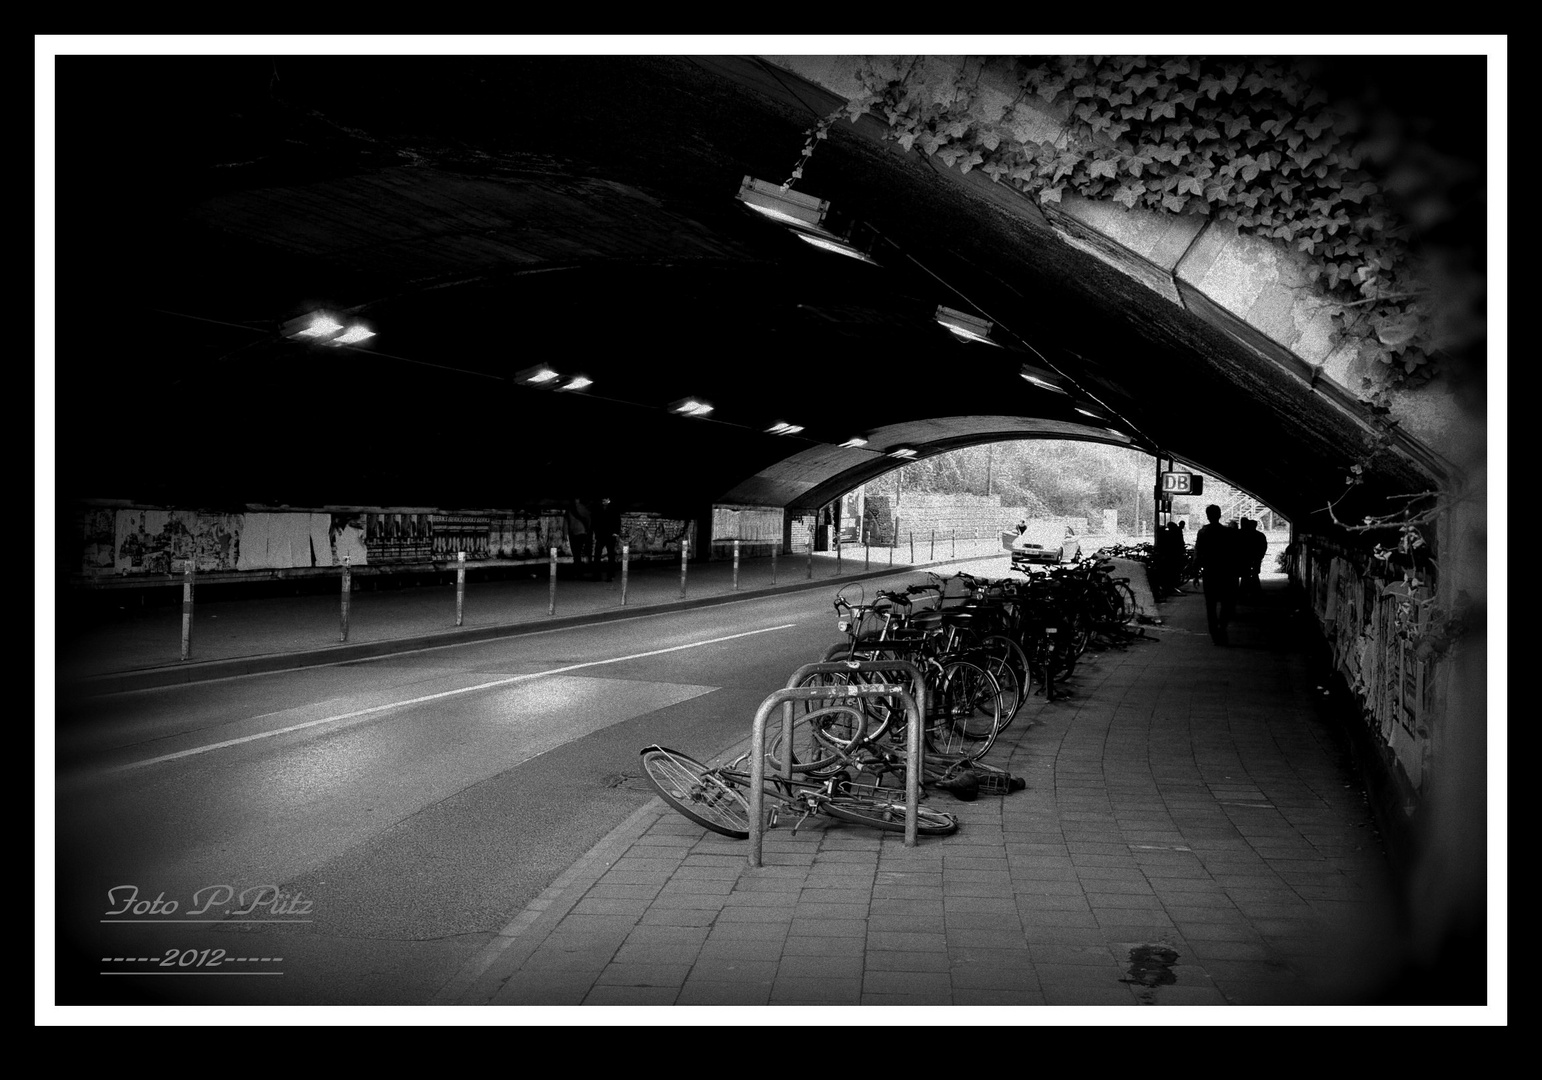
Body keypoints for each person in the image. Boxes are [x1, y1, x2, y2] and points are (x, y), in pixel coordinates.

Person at [1193, 503, 1241, 645]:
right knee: (1227, 603)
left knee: (1211, 605)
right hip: (1226, 573)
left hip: (1210, 573)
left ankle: (1214, 633)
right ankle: (1223, 627)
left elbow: (1198, 554)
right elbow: (1235, 554)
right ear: (1220, 515)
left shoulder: (1203, 533)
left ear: (1208, 516)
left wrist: (1196, 574)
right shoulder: (1229, 533)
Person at [592, 496, 622, 582]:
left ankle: (610, 575)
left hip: (609, 534)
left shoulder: (613, 508)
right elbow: (595, 521)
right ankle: (598, 575)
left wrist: (615, 532)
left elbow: (617, 521)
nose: (603, 501)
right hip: (602, 534)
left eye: (604, 499)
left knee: (610, 555)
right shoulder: (600, 508)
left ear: (608, 500)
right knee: (599, 555)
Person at [1239, 518, 1268, 600]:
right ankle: (1256, 592)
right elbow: (1263, 547)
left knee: (1245, 576)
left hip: (1246, 559)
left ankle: (1243, 592)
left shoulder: (1244, 535)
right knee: (1255, 575)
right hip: (1256, 558)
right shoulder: (1260, 535)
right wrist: (1260, 557)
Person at [565, 498, 592, 576]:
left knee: (576, 552)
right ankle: (579, 568)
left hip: (577, 532)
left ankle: (578, 568)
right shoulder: (582, 508)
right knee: (578, 551)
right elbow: (588, 519)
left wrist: (565, 533)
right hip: (579, 532)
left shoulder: (570, 509)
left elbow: (566, 522)